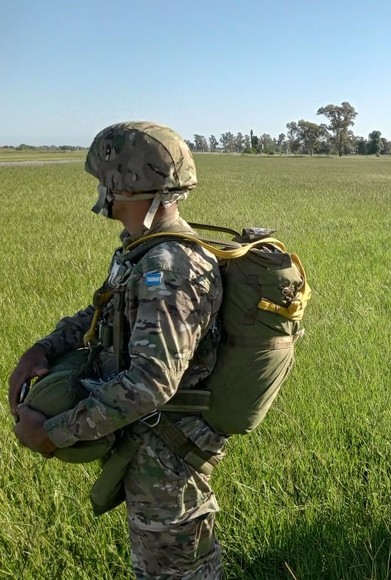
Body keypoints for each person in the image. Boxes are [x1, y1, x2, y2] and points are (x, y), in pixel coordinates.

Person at [8, 122, 226, 577]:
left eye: (104, 178)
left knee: (175, 571)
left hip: (168, 459)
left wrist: (57, 431)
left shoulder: (170, 268)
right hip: (145, 446)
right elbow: (103, 313)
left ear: (123, 184)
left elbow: (152, 381)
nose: (100, 189)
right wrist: (44, 349)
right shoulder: (142, 251)